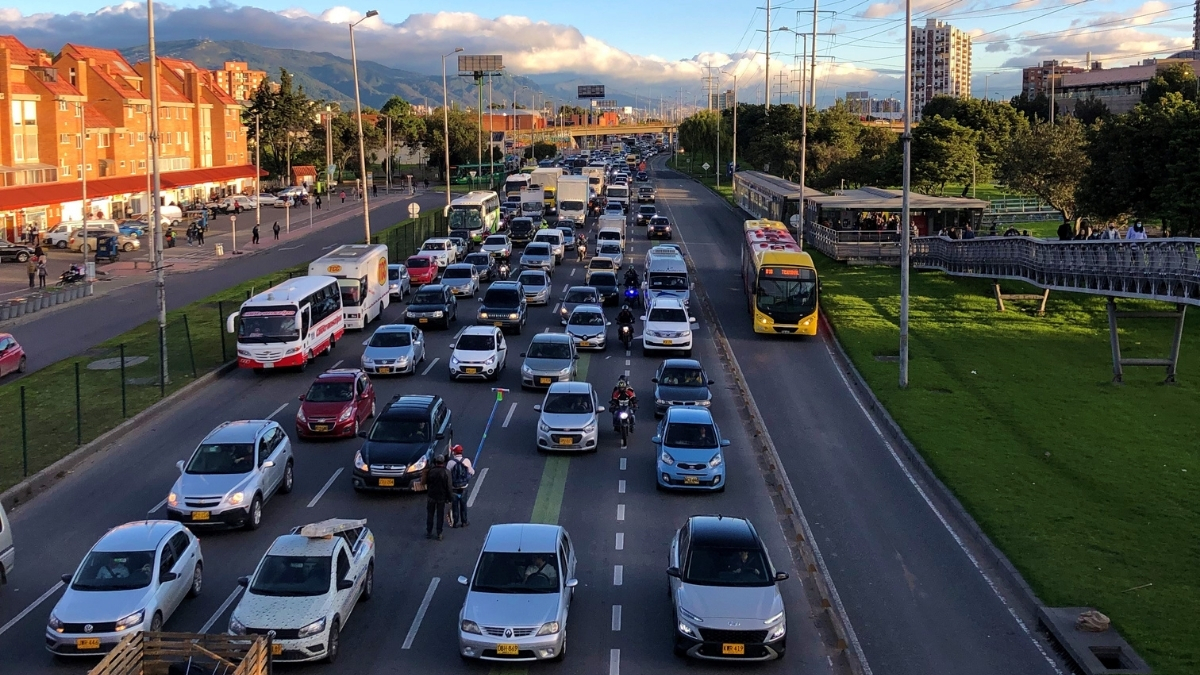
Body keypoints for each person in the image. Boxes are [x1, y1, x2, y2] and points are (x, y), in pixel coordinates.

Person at [424, 454, 453, 541]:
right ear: (443, 462)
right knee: (440, 516)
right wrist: (450, 498)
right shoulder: (446, 472)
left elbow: (426, 483)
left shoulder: (431, 471)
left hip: (431, 496)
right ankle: (439, 533)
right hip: (441, 497)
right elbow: (449, 486)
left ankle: (429, 532)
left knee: (430, 514)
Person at [446, 445, 475, 528]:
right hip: (464, 487)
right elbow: (472, 472)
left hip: (454, 488)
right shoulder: (466, 461)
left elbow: (447, 474)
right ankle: (464, 521)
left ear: (454, 452)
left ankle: (455, 522)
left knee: (455, 506)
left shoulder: (450, 463)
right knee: (463, 505)